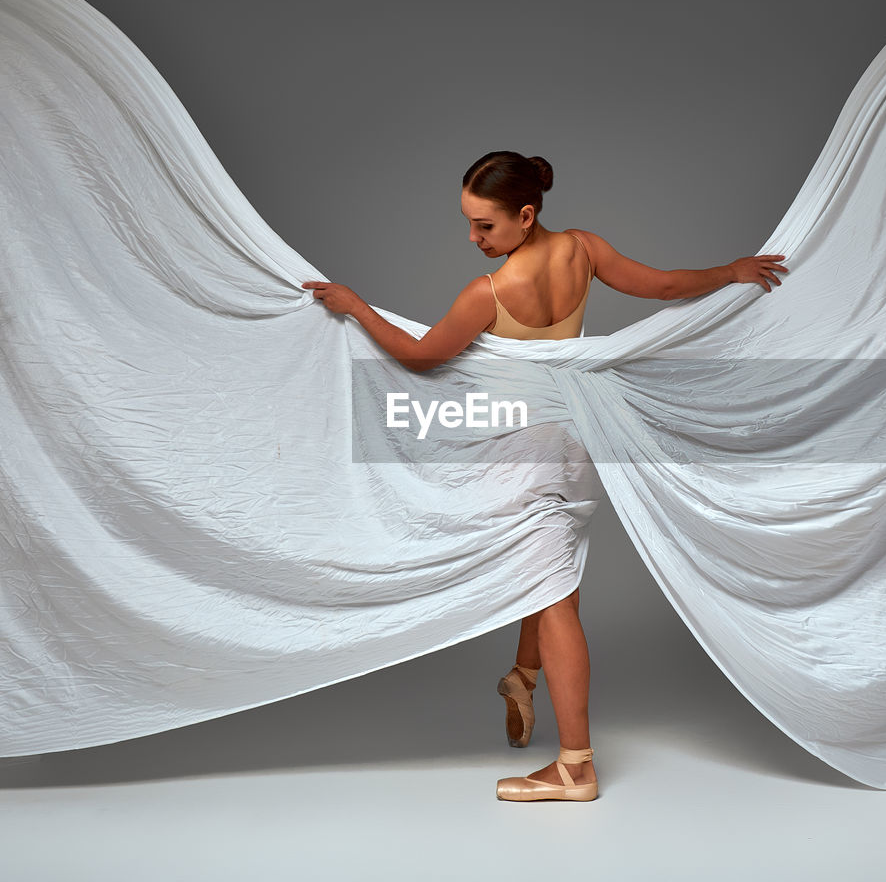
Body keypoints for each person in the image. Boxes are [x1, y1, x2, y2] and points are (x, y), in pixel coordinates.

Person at [301, 150, 787, 800]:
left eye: (486, 226)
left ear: (525, 216)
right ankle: (522, 679)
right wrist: (732, 271)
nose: (473, 238)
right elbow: (666, 287)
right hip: (580, 441)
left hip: (526, 452)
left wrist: (355, 306)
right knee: (551, 574)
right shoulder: (583, 250)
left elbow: (418, 357)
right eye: (469, 224)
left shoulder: (490, 293)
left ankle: (576, 766)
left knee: (555, 594)